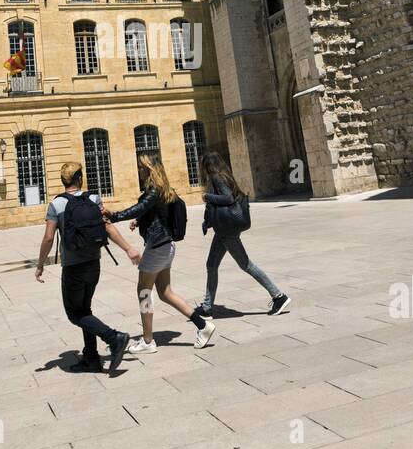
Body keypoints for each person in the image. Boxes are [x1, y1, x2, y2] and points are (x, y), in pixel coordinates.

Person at [104, 154, 217, 353]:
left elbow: (140, 207)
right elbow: (155, 211)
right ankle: (203, 325)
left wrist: (114, 216)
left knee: (143, 292)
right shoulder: (164, 188)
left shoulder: (154, 189)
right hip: (166, 246)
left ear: (149, 169)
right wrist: (140, 221)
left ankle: (147, 341)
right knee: (165, 292)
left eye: (141, 167)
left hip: (157, 248)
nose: (139, 170)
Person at [36, 162, 140, 373]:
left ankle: (114, 337)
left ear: (63, 180)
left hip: (73, 267)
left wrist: (40, 265)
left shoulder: (57, 205)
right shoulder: (93, 199)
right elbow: (107, 227)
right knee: (85, 310)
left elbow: (48, 238)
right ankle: (91, 358)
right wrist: (129, 249)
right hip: (94, 263)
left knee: (75, 314)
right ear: (80, 178)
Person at [200, 151, 290, 317]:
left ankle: (278, 296)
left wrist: (207, 196)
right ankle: (207, 307)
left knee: (246, 265)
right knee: (211, 265)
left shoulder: (217, 178)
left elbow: (227, 198)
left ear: (208, 166)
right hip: (223, 230)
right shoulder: (225, 175)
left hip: (226, 231)